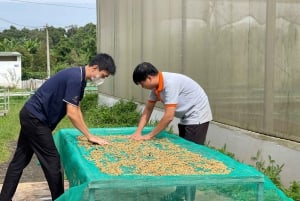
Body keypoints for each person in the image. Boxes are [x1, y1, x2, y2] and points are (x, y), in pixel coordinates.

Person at [0, 53, 116, 201]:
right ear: (95, 68)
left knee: (20, 160)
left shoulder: (80, 79)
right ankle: (60, 199)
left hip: (30, 115)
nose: (102, 79)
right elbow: (71, 113)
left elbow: (77, 108)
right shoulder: (75, 78)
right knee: (53, 163)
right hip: (36, 119)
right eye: (103, 75)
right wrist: (90, 136)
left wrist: (90, 134)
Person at [129, 62, 212, 201]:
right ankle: (180, 194)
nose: (141, 87)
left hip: (197, 116)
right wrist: (138, 132)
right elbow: (148, 109)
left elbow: (168, 117)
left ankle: (189, 197)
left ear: (149, 78)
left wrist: (149, 136)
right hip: (186, 117)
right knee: (182, 156)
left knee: (190, 159)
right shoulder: (156, 87)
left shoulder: (170, 83)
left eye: (141, 83)